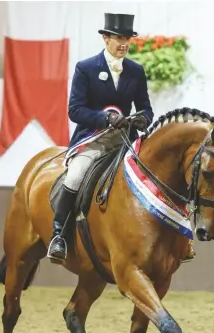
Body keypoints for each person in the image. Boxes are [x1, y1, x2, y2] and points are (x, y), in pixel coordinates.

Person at [47, 13, 154, 261]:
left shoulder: (136, 71)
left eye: (127, 38)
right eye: (118, 38)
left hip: (125, 140)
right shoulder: (86, 68)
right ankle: (59, 235)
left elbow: (146, 108)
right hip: (93, 139)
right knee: (75, 175)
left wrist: (142, 119)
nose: (124, 43)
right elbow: (75, 110)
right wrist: (105, 118)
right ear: (106, 38)